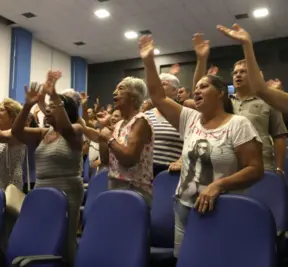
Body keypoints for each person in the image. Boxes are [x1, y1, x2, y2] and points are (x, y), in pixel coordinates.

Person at [139, 34, 264, 257]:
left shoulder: (239, 124)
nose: (196, 91)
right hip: (184, 207)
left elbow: (255, 169)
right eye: (195, 88)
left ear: (220, 93)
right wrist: (149, 62)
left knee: (215, 260)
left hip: (221, 208)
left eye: (204, 87)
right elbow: (158, 96)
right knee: (185, 260)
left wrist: (219, 185)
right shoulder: (189, 118)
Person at [12, 71, 83, 266]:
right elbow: (16, 132)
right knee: (41, 234)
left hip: (67, 189)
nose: (48, 111)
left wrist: (53, 95)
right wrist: (27, 105)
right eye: (48, 108)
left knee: (63, 238)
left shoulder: (76, 130)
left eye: (54, 108)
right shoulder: (44, 132)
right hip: (42, 188)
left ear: (66, 111)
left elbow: (67, 130)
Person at [192, 31, 287, 174]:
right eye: (235, 73)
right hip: (228, 167)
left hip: (262, 166)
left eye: (243, 72)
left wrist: (279, 168)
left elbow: (279, 136)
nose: (238, 75)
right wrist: (201, 60)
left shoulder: (268, 101)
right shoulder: (223, 102)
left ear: (255, 75)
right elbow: (199, 91)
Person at [99, 76, 154, 206]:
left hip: (134, 191)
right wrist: (103, 134)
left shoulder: (141, 121)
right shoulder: (119, 124)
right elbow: (105, 160)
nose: (114, 93)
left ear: (134, 96)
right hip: (114, 185)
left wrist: (109, 138)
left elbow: (129, 159)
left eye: (121, 89)